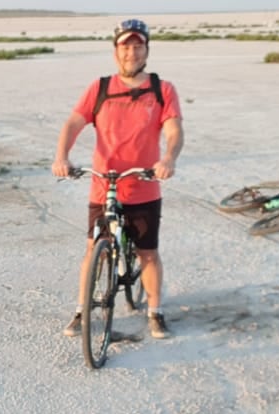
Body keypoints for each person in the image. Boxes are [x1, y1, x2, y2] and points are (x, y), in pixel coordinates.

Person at [52, 17, 185, 340]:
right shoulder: (99, 88)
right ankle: (83, 309)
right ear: (116, 51)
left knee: (147, 253)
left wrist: (168, 158)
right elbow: (73, 123)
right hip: (104, 184)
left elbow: (174, 130)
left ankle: (155, 311)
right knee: (92, 249)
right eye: (126, 46)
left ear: (146, 50)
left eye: (138, 46)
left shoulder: (161, 89)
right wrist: (62, 157)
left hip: (144, 185)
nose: (132, 53)